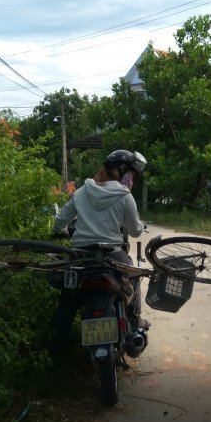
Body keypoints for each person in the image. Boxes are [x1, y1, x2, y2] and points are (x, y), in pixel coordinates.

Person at [51, 150, 150, 355]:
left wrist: (59, 230)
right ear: (122, 171)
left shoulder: (81, 192)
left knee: (68, 298)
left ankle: (57, 350)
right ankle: (135, 317)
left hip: (81, 256)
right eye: (129, 174)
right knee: (134, 275)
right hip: (112, 255)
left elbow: (59, 222)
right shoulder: (125, 196)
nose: (130, 179)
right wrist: (139, 225)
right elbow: (135, 231)